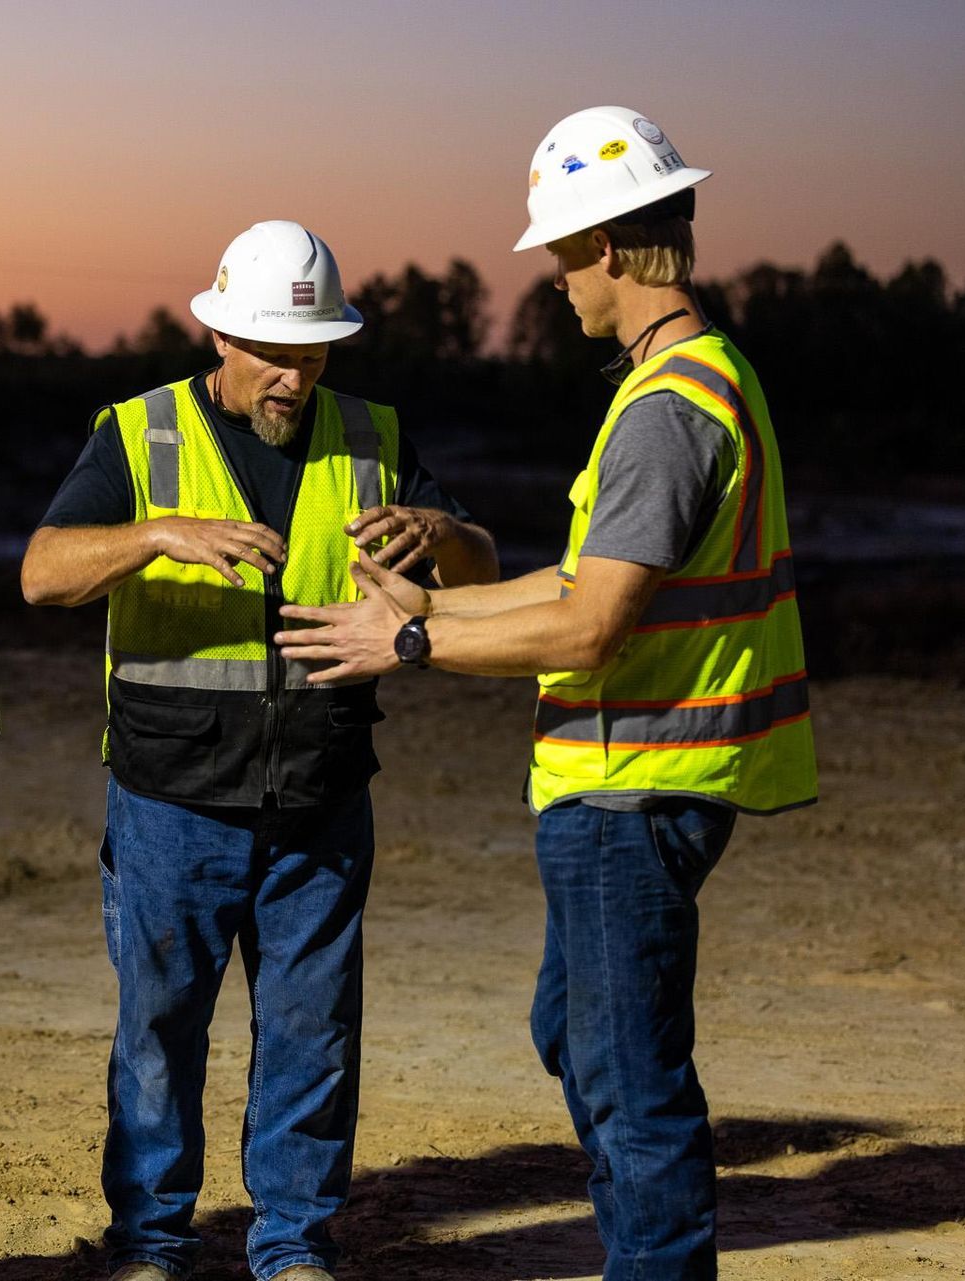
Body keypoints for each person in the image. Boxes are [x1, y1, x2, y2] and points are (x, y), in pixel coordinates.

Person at [276, 107, 819, 1280]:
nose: (559, 283)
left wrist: (408, 654)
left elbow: (589, 624)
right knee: (574, 1034)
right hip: (630, 780)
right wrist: (422, 610)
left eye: (564, 256)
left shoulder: (670, 410)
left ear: (612, 250)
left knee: (630, 1082)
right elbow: (578, 581)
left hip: (637, 784)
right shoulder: (689, 383)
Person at [22, 220, 497, 1281]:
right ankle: (151, 1243)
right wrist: (157, 534)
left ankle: (291, 1246)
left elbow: (479, 560)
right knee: (158, 1036)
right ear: (220, 336)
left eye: (313, 352)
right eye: (273, 353)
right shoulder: (139, 434)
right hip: (170, 802)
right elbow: (42, 574)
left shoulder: (371, 432)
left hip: (321, 801)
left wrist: (441, 538)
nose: (293, 376)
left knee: (313, 1035)